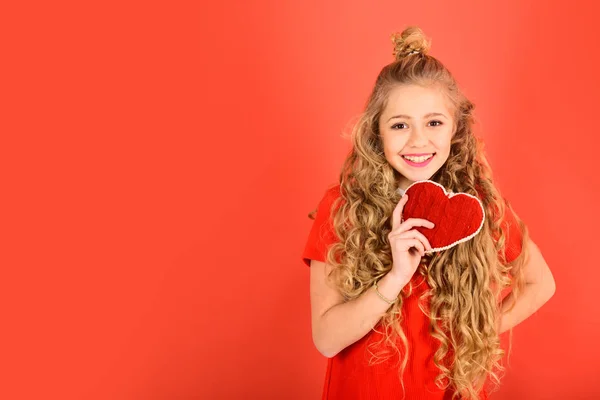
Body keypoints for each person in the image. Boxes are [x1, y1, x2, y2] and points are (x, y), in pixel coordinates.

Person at [301, 26, 556, 400]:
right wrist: (395, 277)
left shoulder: (479, 205)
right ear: (377, 134)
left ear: (455, 129)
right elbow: (326, 340)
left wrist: (475, 333)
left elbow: (541, 285)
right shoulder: (342, 207)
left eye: (434, 122)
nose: (418, 140)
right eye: (400, 125)